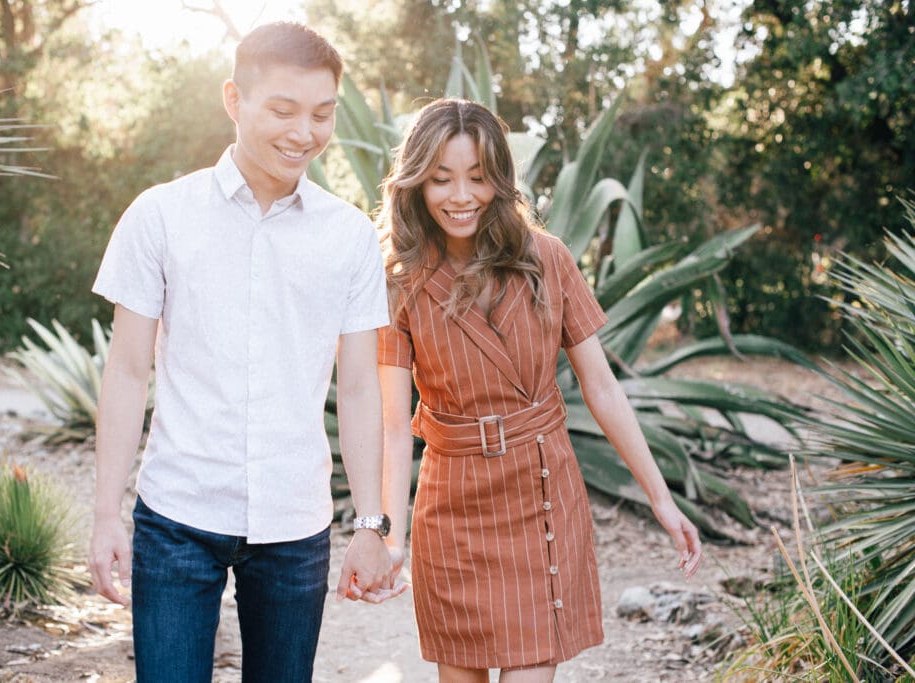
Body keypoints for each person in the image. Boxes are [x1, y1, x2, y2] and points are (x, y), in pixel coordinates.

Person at [87, 22, 402, 683]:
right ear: (234, 99)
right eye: (283, 110)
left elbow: (360, 389)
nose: (304, 133)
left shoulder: (347, 237)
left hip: (295, 520)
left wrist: (372, 522)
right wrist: (105, 512)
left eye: (322, 114)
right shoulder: (161, 216)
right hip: (177, 515)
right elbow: (127, 371)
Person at [373, 98, 703, 682]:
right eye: (441, 179)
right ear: (417, 182)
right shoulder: (400, 282)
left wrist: (661, 499)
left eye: (477, 177)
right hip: (452, 508)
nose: (460, 196)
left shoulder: (547, 259)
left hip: (540, 493)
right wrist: (391, 538)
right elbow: (397, 426)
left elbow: (602, 389)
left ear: (500, 180)